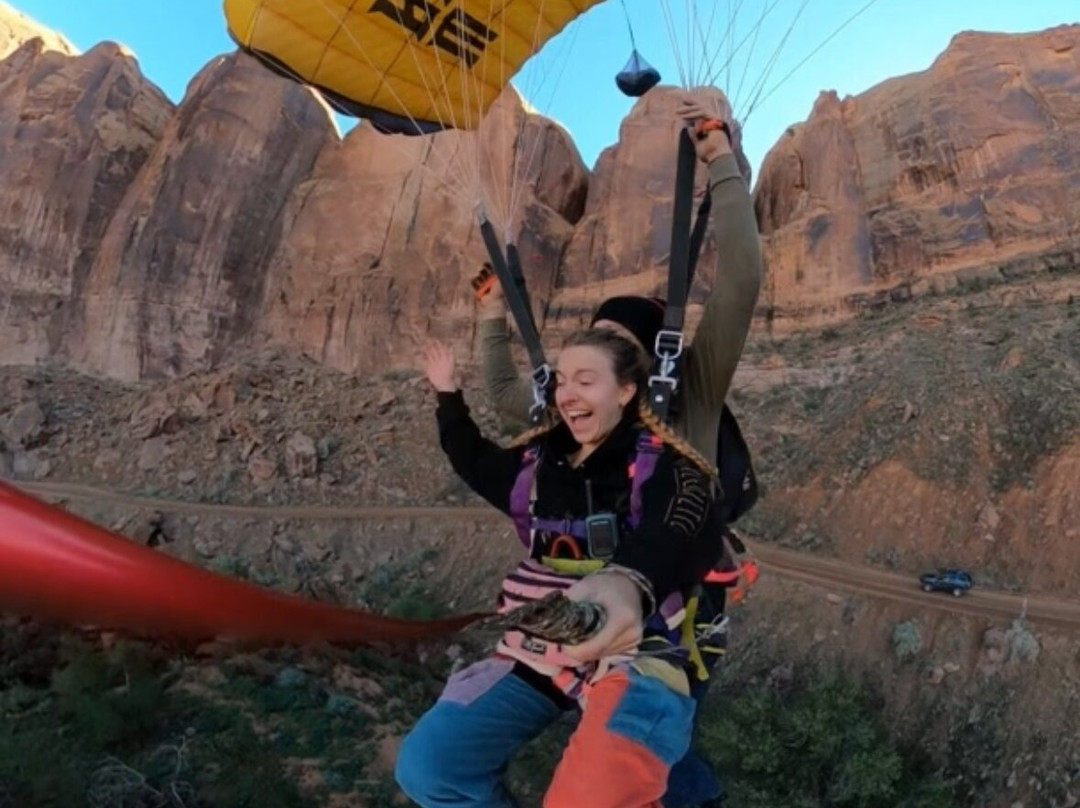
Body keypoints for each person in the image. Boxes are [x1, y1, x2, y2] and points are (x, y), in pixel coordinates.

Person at [474, 90, 763, 807]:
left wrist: (721, 159)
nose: (583, 383)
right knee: (622, 740)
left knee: (656, 747)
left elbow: (741, 283)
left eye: (608, 359)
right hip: (589, 602)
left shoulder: (688, 393)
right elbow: (513, 400)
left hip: (668, 613)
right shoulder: (579, 406)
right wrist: (488, 319)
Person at [395, 327, 725, 808]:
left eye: (586, 380)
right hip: (544, 650)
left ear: (626, 391)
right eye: (562, 380)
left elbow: (676, 528)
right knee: (429, 768)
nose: (567, 393)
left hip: (634, 652)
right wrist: (447, 395)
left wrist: (627, 582)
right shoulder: (539, 464)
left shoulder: (664, 466)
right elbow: (471, 458)